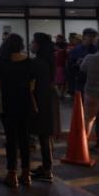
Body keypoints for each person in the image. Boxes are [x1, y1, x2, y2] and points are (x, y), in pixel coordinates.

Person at [0, 33, 37, 189]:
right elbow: (32, 85)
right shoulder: (29, 62)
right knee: (25, 138)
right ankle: (26, 174)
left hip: (8, 104)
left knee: (11, 140)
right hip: (25, 104)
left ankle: (11, 175)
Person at [30, 33, 58, 182]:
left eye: (33, 42)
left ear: (39, 45)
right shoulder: (48, 62)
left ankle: (47, 170)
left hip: (39, 104)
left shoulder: (38, 63)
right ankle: (47, 167)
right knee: (45, 136)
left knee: (43, 136)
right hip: (46, 103)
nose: (31, 44)